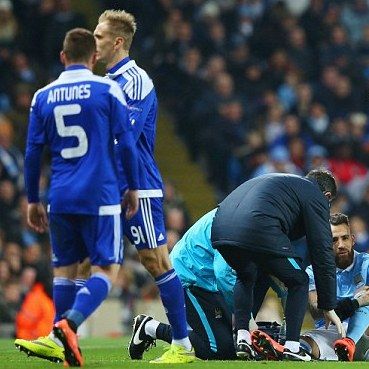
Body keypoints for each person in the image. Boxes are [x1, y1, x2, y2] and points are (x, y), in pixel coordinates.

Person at [15, 28, 139, 367]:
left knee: (65, 271)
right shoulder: (107, 88)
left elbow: (31, 152)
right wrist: (133, 186)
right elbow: (126, 144)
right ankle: (65, 327)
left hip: (60, 197)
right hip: (99, 195)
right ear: (94, 57)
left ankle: (62, 344)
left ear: (62, 57)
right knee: (106, 270)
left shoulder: (42, 96)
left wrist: (32, 199)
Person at [93, 9, 194, 364]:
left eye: (99, 37)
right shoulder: (105, 81)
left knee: (155, 260)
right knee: (86, 259)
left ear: (118, 41)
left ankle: (182, 344)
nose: (95, 43)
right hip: (108, 185)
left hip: (139, 187)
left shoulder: (135, 80)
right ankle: (63, 333)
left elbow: (124, 138)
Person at [211, 170, 345, 361]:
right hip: (257, 227)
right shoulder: (315, 195)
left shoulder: (285, 183)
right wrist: (328, 303)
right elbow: (322, 249)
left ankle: (243, 338)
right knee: (299, 280)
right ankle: (292, 347)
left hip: (220, 228)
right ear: (327, 196)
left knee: (247, 274)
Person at [129, 209, 287, 361]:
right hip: (190, 276)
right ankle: (150, 328)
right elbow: (223, 274)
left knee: (233, 345)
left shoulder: (242, 214)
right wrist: (247, 322)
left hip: (208, 279)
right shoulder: (237, 224)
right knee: (217, 349)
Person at [300, 213, 369, 361]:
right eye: (334, 240)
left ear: (353, 239)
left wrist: (350, 305)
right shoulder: (314, 271)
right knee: (304, 344)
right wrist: (348, 305)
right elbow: (315, 309)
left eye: (345, 238)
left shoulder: (366, 263)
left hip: (365, 329)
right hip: (332, 331)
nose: (341, 245)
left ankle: (353, 343)